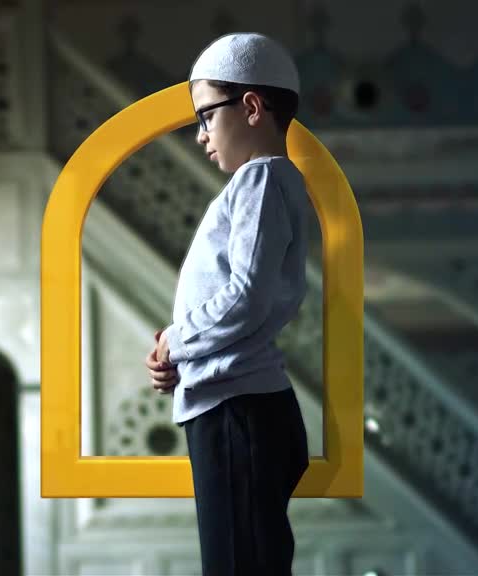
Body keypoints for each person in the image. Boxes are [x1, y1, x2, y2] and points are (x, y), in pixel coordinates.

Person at [143, 32, 311, 575]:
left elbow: (244, 297)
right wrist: (183, 358)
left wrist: (176, 341)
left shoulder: (259, 178)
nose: (201, 136)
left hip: (239, 410)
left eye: (206, 117)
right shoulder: (260, 182)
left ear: (252, 108)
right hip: (236, 405)